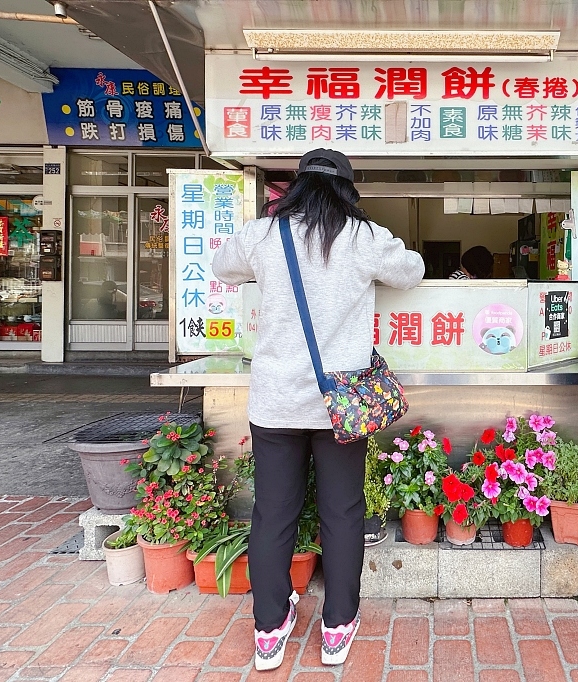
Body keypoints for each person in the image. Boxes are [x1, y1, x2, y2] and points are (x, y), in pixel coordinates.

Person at [212, 149, 424, 671]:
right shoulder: (362, 237)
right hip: (341, 407)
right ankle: (337, 627)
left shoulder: (263, 234)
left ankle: (268, 631)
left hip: (276, 403)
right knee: (343, 512)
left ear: (297, 188)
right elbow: (412, 271)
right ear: (348, 192)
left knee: (273, 514)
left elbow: (222, 267)